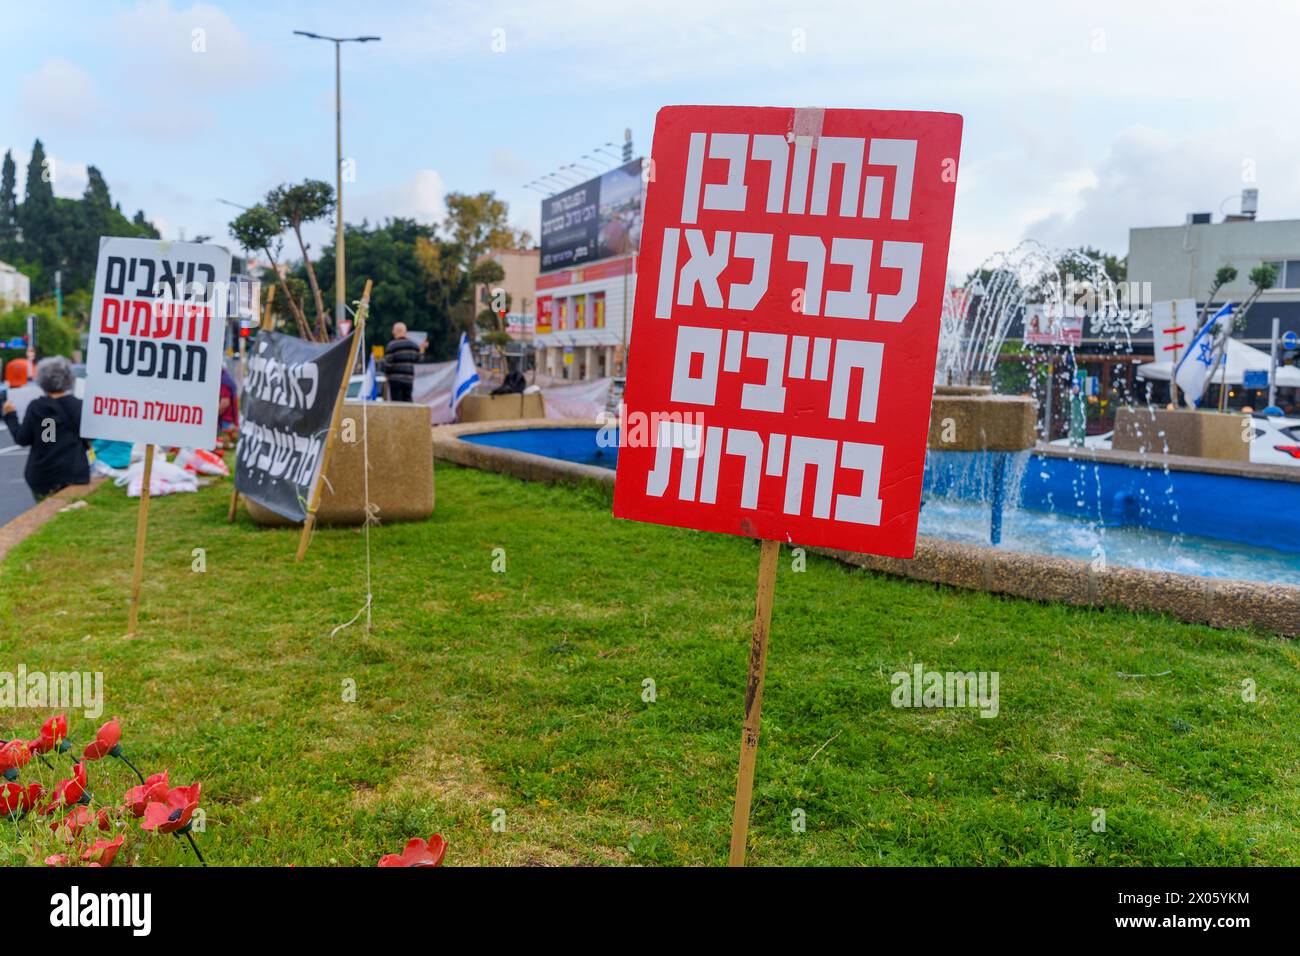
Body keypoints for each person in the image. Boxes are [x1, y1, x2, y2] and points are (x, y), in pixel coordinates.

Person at [2, 356, 90, 499]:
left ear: (41, 380)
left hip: (41, 475)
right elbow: (90, 436)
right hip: (73, 472)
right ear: (69, 379)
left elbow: (22, 439)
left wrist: (11, 416)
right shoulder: (78, 406)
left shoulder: (36, 407)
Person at [382, 322, 427, 403]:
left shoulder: (392, 345)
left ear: (396, 331)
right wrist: (422, 349)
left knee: (397, 405)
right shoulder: (413, 345)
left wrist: (386, 374)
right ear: (405, 332)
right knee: (408, 404)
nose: (392, 332)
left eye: (393, 330)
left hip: (395, 380)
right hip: (408, 380)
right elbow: (419, 359)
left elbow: (388, 364)